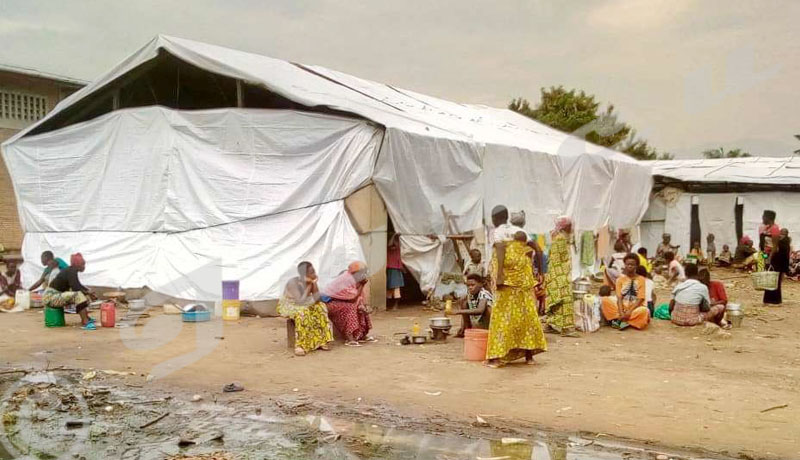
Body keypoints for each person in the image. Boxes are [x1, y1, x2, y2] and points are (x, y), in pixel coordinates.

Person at [486, 231, 547, 367]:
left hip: (508, 290)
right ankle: (529, 356)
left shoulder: (505, 246)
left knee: (502, 322)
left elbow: (498, 256)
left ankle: (496, 358)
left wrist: (499, 276)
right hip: (522, 289)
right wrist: (541, 272)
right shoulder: (526, 250)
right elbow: (538, 248)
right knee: (526, 320)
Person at [278, 261, 334, 356]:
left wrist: (314, 283)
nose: (314, 274)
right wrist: (309, 285)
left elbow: (317, 299)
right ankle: (300, 345)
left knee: (321, 307)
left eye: (314, 271)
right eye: (311, 272)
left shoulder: (311, 281)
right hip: (291, 304)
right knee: (303, 313)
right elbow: (299, 301)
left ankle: (322, 340)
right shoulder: (293, 282)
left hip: (304, 302)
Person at [323, 261, 377, 346]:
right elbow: (352, 297)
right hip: (330, 302)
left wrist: (363, 305)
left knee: (361, 308)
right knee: (350, 307)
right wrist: (362, 285)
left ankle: (361, 335)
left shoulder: (356, 279)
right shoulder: (346, 279)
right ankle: (349, 337)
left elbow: (359, 296)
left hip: (344, 301)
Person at [544, 216, 577, 337]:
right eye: (570, 226)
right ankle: (566, 329)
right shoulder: (561, 239)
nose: (572, 228)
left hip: (557, 274)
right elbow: (558, 261)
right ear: (565, 227)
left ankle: (550, 324)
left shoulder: (559, 238)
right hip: (560, 275)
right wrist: (563, 277)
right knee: (565, 300)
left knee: (555, 300)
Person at [44, 253, 96, 329]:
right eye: (82, 264)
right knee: (78, 295)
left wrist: (88, 292)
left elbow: (78, 285)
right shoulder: (71, 271)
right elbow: (76, 288)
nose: (84, 267)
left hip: (55, 296)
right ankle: (85, 322)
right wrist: (88, 292)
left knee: (83, 295)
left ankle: (86, 318)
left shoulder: (71, 270)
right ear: (77, 265)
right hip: (50, 297)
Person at [606, 253, 650, 330]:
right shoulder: (620, 279)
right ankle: (625, 320)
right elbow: (619, 297)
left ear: (636, 266)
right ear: (625, 265)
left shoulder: (641, 279)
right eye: (627, 264)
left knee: (644, 311)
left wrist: (629, 311)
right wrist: (621, 312)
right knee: (605, 300)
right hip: (622, 307)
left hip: (635, 308)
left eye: (632, 264)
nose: (629, 266)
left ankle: (621, 320)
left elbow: (641, 298)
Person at [489, 205, 527, 288]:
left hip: (505, 274)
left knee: (504, 299)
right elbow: (535, 247)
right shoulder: (518, 230)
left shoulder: (497, 232)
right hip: (520, 273)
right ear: (507, 217)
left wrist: (499, 275)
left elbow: (500, 249)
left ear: (493, 219)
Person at [764, 228, 791, 305]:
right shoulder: (785, 242)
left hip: (776, 265)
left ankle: (771, 301)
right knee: (775, 283)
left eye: (782, 233)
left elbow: (769, 252)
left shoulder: (781, 243)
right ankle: (775, 301)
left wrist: (767, 259)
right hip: (778, 265)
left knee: (772, 282)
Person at [386, 234, 404, 310]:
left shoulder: (399, 249)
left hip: (396, 269)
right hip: (391, 268)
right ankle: (390, 305)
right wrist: (394, 235)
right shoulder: (389, 248)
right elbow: (389, 244)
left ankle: (395, 305)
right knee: (390, 288)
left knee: (396, 288)